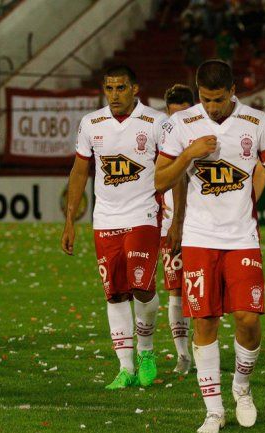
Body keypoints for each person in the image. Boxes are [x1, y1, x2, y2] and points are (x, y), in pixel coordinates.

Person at [155, 59, 265, 433]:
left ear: (233, 91)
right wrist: (188, 154)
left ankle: (242, 386)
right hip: (199, 239)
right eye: (205, 99)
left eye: (218, 99)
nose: (212, 106)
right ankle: (214, 411)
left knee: (248, 320)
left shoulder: (256, 122)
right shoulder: (181, 124)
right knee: (204, 321)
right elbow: (160, 180)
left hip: (241, 239)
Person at [62, 66, 167, 390]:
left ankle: (146, 350)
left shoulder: (156, 122)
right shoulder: (91, 123)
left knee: (141, 286)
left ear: (135, 88)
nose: (114, 94)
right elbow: (79, 171)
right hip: (106, 219)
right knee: (115, 293)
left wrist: (176, 217)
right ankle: (125, 368)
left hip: (144, 214)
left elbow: (171, 169)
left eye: (121, 88)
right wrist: (70, 219)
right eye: (109, 88)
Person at [161, 84, 195, 374]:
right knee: (175, 289)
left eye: (184, 114)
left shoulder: (206, 135)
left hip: (204, 225)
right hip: (170, 224)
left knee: (201, 291)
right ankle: (183, 355)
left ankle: (204, 347)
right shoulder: (162, 137)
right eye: (174, 115)